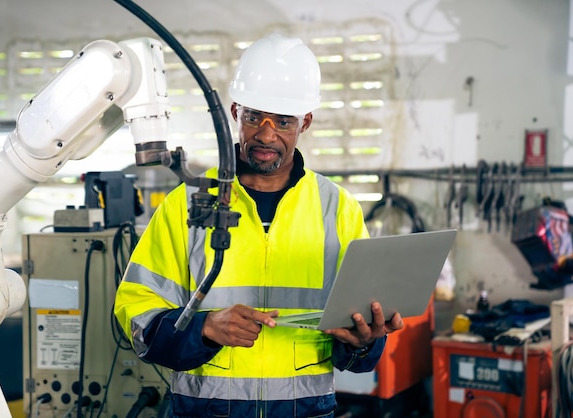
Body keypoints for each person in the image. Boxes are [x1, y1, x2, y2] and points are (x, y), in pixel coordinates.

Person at [114, 33, 404, 418]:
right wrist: (204, 328)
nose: (266, 134)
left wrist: (366, 342)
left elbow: (357, 347)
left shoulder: (338, 208)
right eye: (255, 117)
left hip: (305, 411)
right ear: (235, 112)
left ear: (306, 122)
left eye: (283, 121)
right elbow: (136, 317)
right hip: (205, 411)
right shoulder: (186, 204)